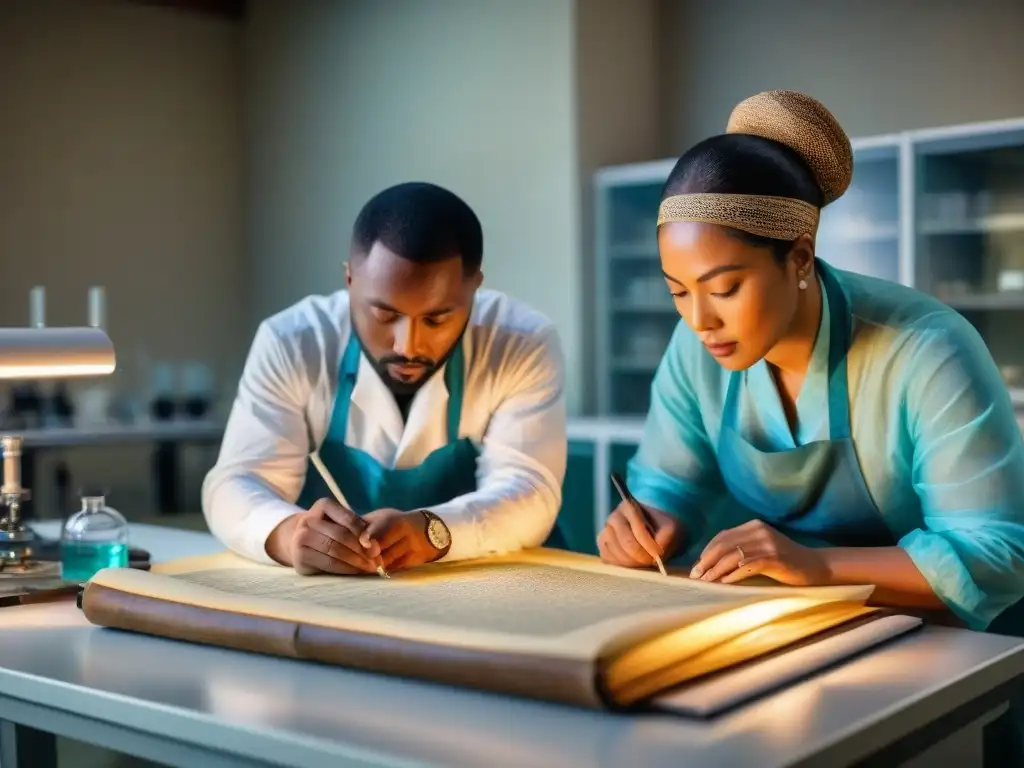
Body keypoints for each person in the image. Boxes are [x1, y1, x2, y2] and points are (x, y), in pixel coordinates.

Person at [598, 90, 1024, 638]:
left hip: (947, 640)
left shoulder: (926, 350)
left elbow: (994, 551)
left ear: (799, 257)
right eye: (678, 291)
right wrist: (649, 525)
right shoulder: (695, 346)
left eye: (724, 288)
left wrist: (816, 566)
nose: (700, 319)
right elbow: (669, 485)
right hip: (789, 628)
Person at [203, 181, 567, 576]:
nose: (408, 346)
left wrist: (433, 531)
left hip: (491, 585)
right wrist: (290, 534)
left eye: (436, 318)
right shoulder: (293, 342)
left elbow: (529, 491)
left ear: (474, 288)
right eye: (385, 315)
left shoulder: (520, 342)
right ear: (350, 281)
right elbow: (236, 482)